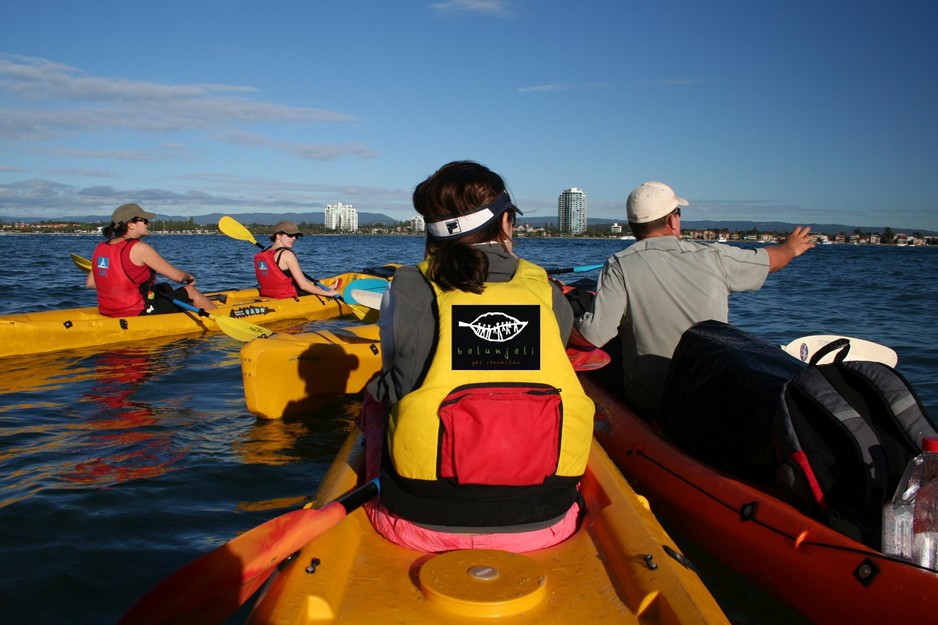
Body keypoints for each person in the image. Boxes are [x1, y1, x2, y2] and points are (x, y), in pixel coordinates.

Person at [361, 160, 595, 552]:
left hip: (422, 519)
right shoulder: (546, 288)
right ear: (505, 223)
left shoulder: (409, 284)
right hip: (544, 517)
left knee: (375, 398)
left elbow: (397, 383)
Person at [575, 180, 815, 418]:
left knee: (607, 350)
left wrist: (571, 324)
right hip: (709, 392)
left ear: (632, 225)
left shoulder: (619, 265)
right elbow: (772, 260)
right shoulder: (715, 256)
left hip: (652, 400)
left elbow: (594, 335)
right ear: (672, 220)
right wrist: (790, 247)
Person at [86, 203, 217, 317]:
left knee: (164, 288)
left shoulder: (101, 247)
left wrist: (122, 289)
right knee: (190, 291)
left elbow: (91, 283)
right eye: (144, 220)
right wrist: (188, 276)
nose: (148, 223)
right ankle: (219, 316)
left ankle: (177, 315)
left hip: (108, 310)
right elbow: (177, 277)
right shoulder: (139, 248)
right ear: (131, 224)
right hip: (136, 311)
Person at [253, 220, 340, 298]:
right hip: (288, 297)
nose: (294, 238)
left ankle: (327, 288)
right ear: (278, 236)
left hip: (268, 295)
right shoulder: (287, 254)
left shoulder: (261, 255)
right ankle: (327, 290)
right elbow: (303, 285)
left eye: (296, 236)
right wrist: (329, 294)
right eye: (290, 235)